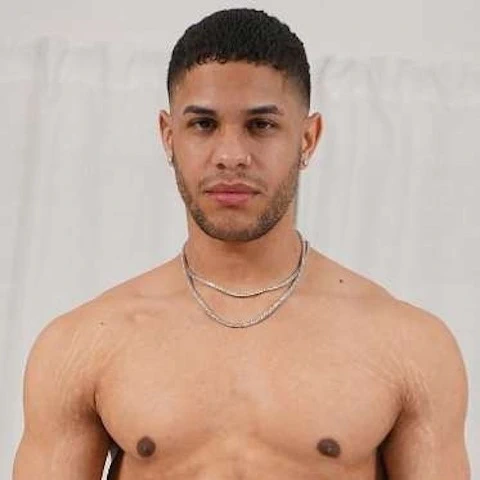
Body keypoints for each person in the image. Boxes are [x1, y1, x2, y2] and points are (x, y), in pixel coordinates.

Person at [13, 8, 470, 480]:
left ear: (308, 138)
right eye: (203, 125)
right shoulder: (84, 344)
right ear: (169, 136)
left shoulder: (408, 346)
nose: (231, 156)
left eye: (261, 125)